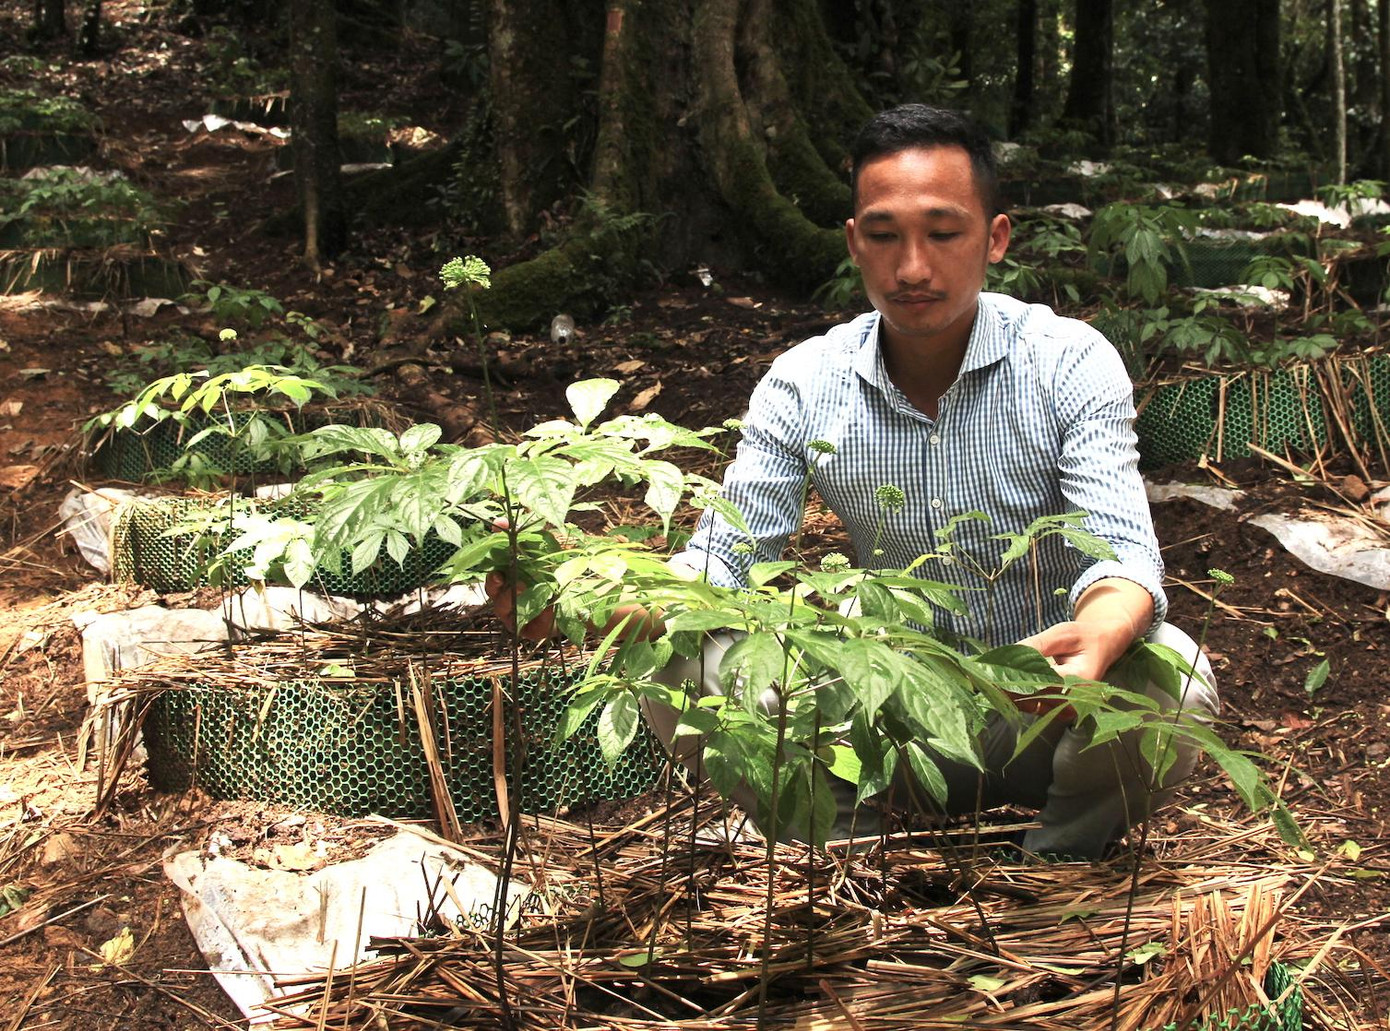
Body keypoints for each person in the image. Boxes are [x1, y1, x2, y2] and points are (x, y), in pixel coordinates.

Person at [493, 104, 1218, 860]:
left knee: (1173, 678)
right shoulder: (806, 383)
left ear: (995, 238)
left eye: (943, 233)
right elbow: (720, 565)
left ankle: (1056, 862)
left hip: (1043, 712)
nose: (912, 267)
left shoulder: (1067, 361)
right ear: (852, 243)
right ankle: (852, 862)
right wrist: (588, 605)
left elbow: (1121, 553)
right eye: (883, 236)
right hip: (879, 721)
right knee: (681, 661)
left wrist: (1094, 639)